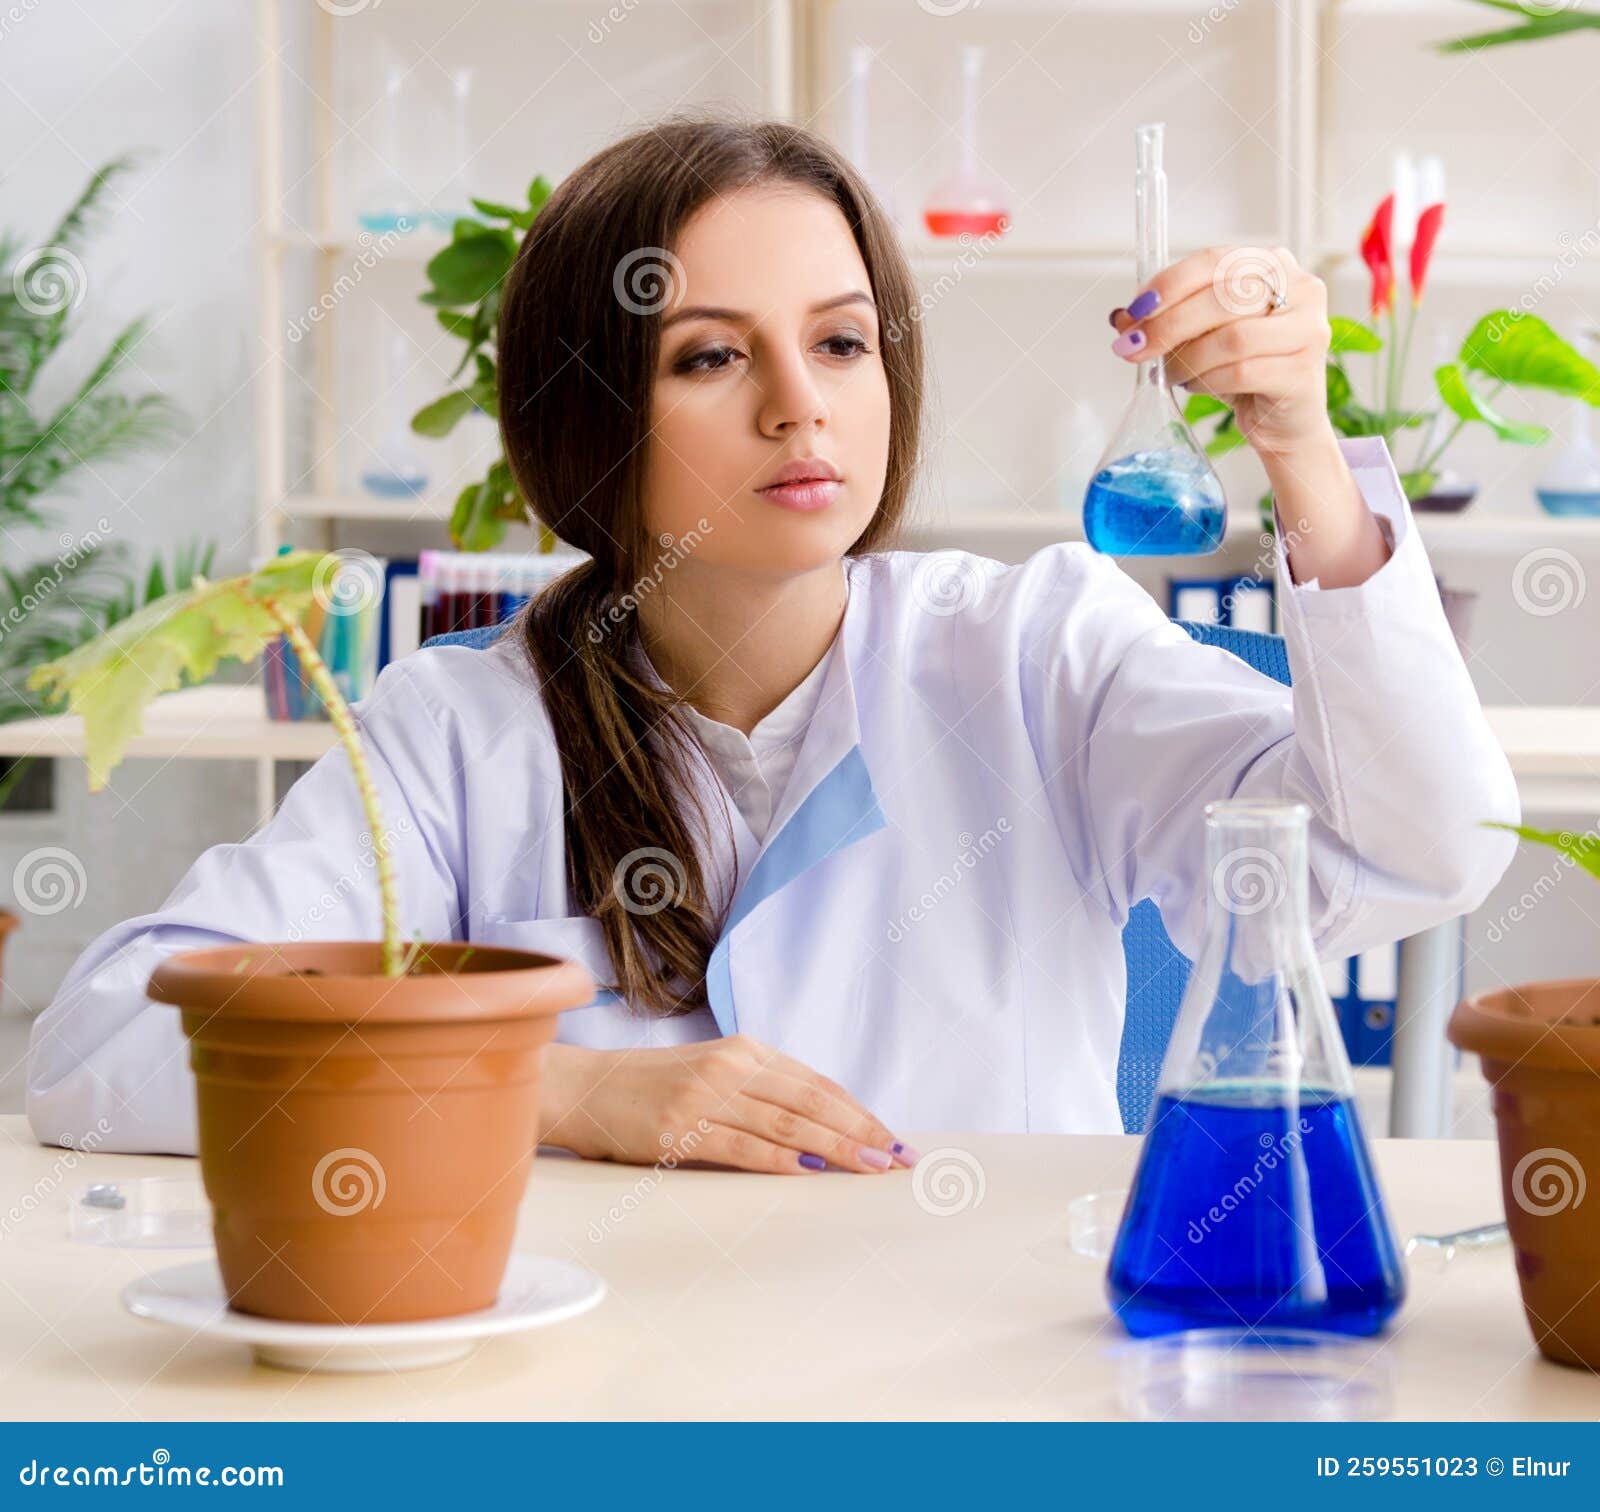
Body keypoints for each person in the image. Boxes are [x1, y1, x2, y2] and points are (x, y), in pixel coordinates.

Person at [26, 115, 1519, 1171]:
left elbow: (1414, 851)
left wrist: (1302, 450)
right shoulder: (458, 731)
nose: (800, 404)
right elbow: (100, 1043)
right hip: (610, 1402)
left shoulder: (1035, 647)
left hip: (988, 1405)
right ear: (589, 412)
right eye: (712, 355)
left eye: (843, 341)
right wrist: (548, 1090)